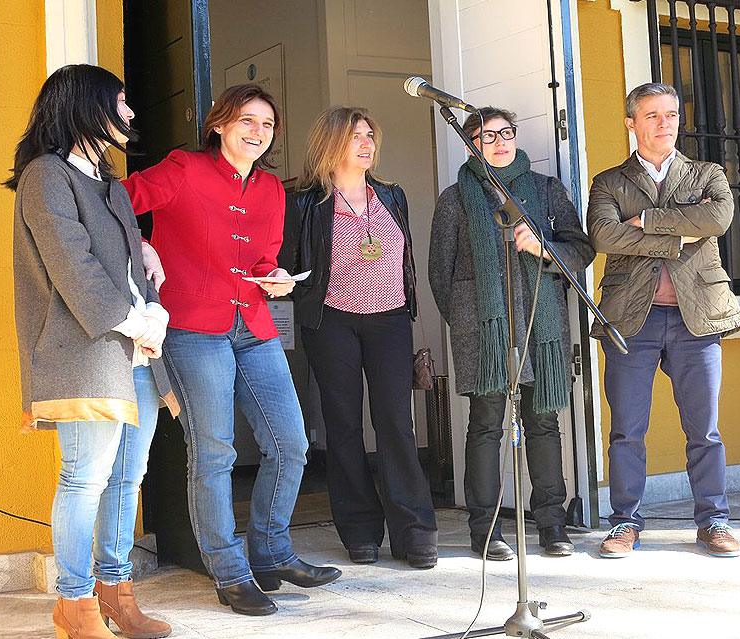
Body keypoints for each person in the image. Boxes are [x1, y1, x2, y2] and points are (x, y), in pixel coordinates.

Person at [123, 83, 341, 616]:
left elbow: (263, 258)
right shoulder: (183, 168)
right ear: (219, 124)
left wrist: (277, 277)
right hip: (193, 327)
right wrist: (144, 246)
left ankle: (271, 552)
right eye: (247, 120)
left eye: (267, 125)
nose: (257, 132)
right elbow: (115, 206)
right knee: (215, 451)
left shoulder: (271, 190)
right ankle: (229, 570)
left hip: (254, 324)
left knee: (291, 444)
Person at [6, 64, 176, 639]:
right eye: (120, 102)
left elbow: (124, 261)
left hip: (137, 349)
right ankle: (74, 604)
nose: (130, 113)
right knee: (85, 477)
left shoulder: (106, 180)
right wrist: (138, 322)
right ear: (86, 105)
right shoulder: (45, 174)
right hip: (88, 351)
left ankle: (116, 593)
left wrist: (150, 279)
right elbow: (72, 265)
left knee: (128, 478)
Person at [587, 82, 740, 559]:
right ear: (631, 123)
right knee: (627, 430)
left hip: (696, 319)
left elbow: (717, 221)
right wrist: (681, 230)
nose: (665, 123)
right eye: (653, 115)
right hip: (630, 320)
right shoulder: (608, 182)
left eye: (672, 114)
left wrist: (645, 222)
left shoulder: (707, 174)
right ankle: (625, 523)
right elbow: (603, 236)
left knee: (705, 430)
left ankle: (714, 520)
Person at [429, 107, 595, 559]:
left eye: (506, 132)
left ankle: (552, 525)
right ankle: (486, 530)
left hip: (541, 323)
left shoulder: (545, 190)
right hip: (483, 331)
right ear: (470, 145)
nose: (500, 142)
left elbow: (581, 250)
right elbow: (440, 272)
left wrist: (544, 248)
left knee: (543, 422)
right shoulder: (455, 199)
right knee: (485, 425)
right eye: (487, 136)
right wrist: (471, 321)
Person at [279, 106, 439, 569]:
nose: (367, 144)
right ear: (331, 144)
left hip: (390, 320)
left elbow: (404, 258)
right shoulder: (305, 202)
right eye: (356, 137)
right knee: (344, 425)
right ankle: (360, 531)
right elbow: (287, 264)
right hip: (331, 323)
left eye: (370, 135)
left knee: (396, 423)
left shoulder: (391, 195)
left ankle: (415, 532)